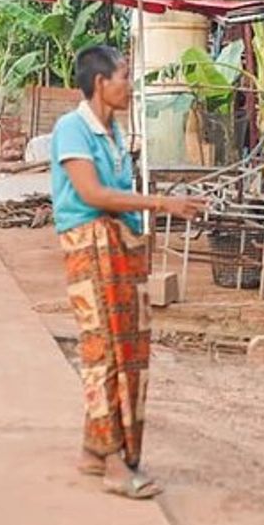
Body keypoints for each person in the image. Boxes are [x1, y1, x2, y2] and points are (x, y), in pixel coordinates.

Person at [51, 45, 205, 500]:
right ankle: (117, 460)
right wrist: (160, 203)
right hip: (90, 246)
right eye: (123, 75)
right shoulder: (72, 129)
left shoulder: (113, 131)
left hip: (120, 246)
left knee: (127, 349)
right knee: (105, 352)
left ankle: (96, 450)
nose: (129, 84)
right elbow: (93, 193)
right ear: (101, 83)